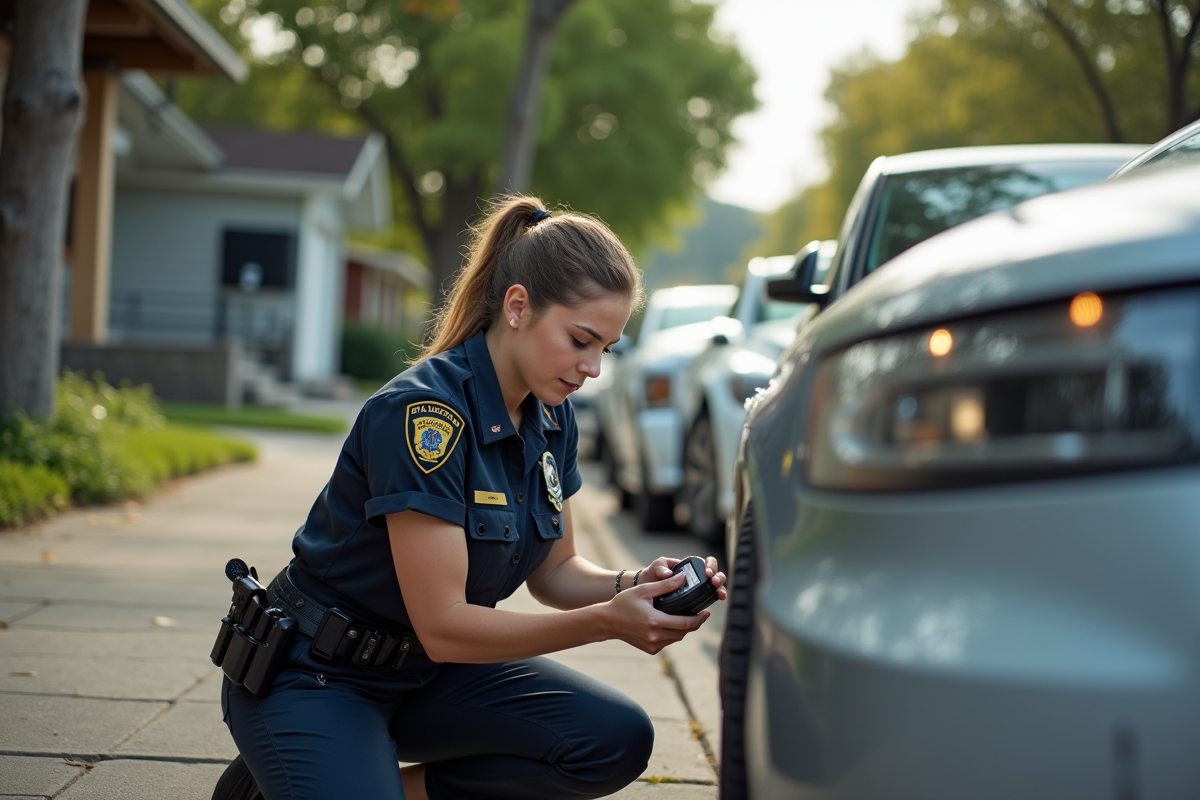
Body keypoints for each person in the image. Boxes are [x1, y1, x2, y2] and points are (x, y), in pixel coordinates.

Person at [216, 196, 727, 800]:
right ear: (517, 307)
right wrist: (606, 624)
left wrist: (634, 584)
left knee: (612, 739)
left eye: (606, 349)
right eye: (581, 340)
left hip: (423, 680)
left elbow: (555, 572)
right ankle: (294, 770)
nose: (593, 368)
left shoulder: (552, 418)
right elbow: (446, 627)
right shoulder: (422, 416)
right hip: (317, 677)